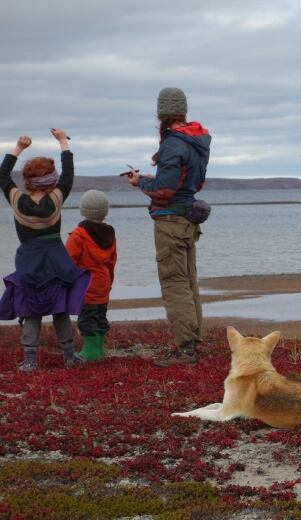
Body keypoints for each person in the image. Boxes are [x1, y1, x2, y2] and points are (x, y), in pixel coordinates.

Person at [126, 87, 211, 366]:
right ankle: (193, 341)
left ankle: (186, 349)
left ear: (161, 113)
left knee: (175, 283)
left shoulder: (173, 144)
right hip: (187, 219)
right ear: (183, 111)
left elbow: (164, 190)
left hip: (171, 221)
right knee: (188, 282)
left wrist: (141, 182)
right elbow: (195, 183)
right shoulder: (197, 141)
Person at [0, 130, 91, 372]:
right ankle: (69, 357)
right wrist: (63, 142)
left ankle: (30, 360)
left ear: (28, 180)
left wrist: (19, 147)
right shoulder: (56, 198)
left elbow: (2, 174)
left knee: (31, 311)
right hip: (56, 261)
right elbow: (68, 175)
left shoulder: (17, 199)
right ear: (52, 180)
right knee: (59, 309)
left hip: (29, 261)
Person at [66, 190, 117, 361]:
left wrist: (68, 283)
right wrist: (109, 281)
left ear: (83, 210)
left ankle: (91, 353)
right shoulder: (110, 234)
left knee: (87, 320)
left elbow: (69, 262)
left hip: (85, 286)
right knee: (100, 317)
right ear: (105, 212)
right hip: (103, 282)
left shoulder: (78, 235)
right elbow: (112, 261)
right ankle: (99, 350)